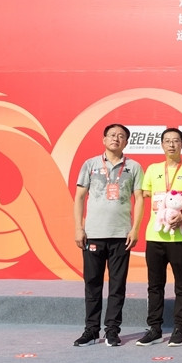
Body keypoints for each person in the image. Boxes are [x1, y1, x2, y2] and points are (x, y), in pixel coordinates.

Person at [72, 123, 144, 347]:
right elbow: (79, 197)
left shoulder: (134, 167)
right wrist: (78, 228)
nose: (116, 139)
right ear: (104, 140)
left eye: (121, 136)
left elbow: (139, 198)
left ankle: (112, 330)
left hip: (121, 235)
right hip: (93, 234)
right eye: (112, 135)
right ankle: (91, 330)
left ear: (126, 142)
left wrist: (135, 229)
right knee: (92, 284)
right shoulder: (90, 164)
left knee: (117, 285)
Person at [137, 127, 182, 347]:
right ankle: (154, 329)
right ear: (162, 145)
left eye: (176, 141)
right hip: (155, 236)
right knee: (154, 285)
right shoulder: (153, 169)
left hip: (180, 239)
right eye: (167, 141)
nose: (171, 145)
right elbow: (144, 193)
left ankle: (179, 328)